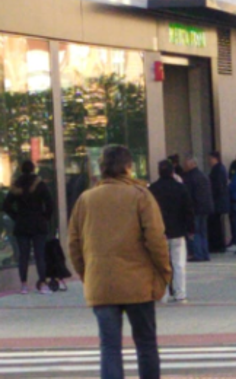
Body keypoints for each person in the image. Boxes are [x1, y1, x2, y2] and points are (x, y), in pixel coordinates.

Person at [68, 145, 171, 379]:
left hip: (101, 283)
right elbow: (156, 239)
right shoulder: (140, 196)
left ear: (102, 168)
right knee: (146, 344)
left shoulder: (86, 199)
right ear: (128, 167)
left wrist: (88, 274)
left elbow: (73, 243)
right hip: (139, 283)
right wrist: (164, 273)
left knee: (110, 347)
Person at [2, 160, 54, 295]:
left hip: (22, 224)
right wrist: (45, 217)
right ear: (33, 169)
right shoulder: (40, 185)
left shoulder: (16, 186)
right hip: (38, 224)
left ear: (20, 169)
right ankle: (42, 284)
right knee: (39, 255)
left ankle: (24, 285)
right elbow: (50, 203)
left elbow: (6, 205)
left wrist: (16, 216)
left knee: (23, 256)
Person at [149, 160, 194, 303]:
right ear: (172, 172)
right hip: (178, 232)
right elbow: (188, 210)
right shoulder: (181, 188)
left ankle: (163, 294)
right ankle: (180, 293)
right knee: (179, 264)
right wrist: (190, 229)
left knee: (161, 264)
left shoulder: (152, 189)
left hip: (158, 233)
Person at [182, 155, 214, 262]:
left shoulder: (189, 177)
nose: (184, 167)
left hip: (195, 207)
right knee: (203, 232)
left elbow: (188, 195)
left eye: (186, 165)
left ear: (191, 165)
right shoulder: (203, 175)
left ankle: (198, 254)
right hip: (205, 207)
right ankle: (205, 253)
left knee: (195, 232)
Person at [208, 151, 229, 253]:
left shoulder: (217, 170)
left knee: (215, 224)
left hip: (217, 201)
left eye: (210, 159)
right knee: (217, 224)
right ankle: (218, 244)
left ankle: (217, 245)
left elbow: (218, 186)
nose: (209, 161)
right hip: (219, 201)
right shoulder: (220, 169)